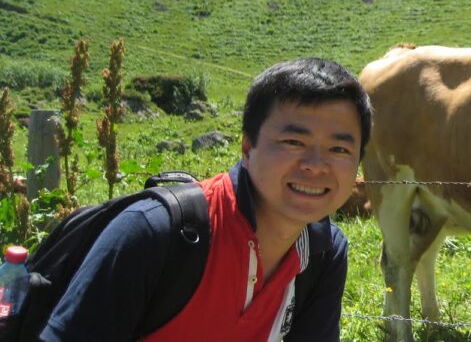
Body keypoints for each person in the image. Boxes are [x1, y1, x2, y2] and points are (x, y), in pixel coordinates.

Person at [40, 58, 373, 342]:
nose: (315, 165)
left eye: (339, 149)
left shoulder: (323, 251)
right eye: (292, 142)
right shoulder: (155, 233)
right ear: (247, 148)